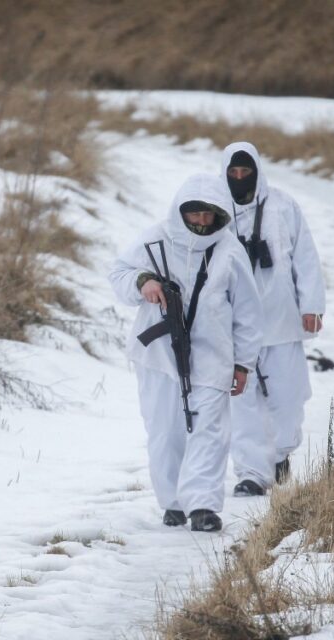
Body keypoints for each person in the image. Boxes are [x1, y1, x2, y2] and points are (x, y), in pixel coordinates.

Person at [109, 173, 262, 532]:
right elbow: (118, 272)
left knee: (210, 431)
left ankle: (203, 506)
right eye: (195, 214)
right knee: (165, 430)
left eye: (210, 215)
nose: (202, 222)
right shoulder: (155, 238)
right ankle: (174, 502)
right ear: (182, 211)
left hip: (213, 355)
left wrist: (243, 363)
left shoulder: (229, 250)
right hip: (159, 355)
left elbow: (248, 312)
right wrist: (142, 282)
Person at [221, 142, 326, 497]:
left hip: (280, 321)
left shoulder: (283, 206)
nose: (239, 178)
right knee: (242, 400)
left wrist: (311, 304)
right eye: (233, 173)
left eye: (245, 172)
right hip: (234, 326)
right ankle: (251, 472)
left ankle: (280, 455)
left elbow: (306, 257)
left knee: (288, 396)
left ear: (256, 171)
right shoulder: (216, 209)